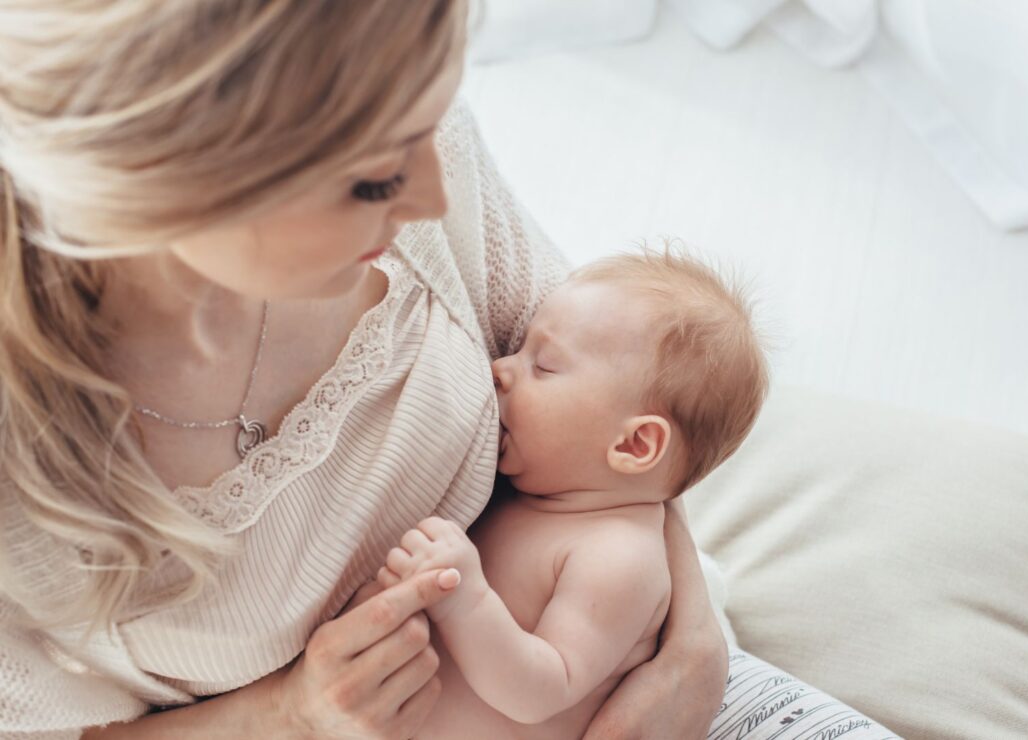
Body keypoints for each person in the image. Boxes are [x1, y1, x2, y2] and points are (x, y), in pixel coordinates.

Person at [0, 2, 899, 738]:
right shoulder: (24, 493)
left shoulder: (405, 137)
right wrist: (294, 714)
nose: (433, 196)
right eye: (374, 181)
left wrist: (693, 655)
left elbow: (636, 405)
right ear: (170, 182)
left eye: (430, 124)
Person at [377, 246, 771, 739]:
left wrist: (464, 599)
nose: (501, 366)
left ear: (633, 443)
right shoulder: (538, 494)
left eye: (543, 365)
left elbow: (540, 690)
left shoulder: (618, 556)